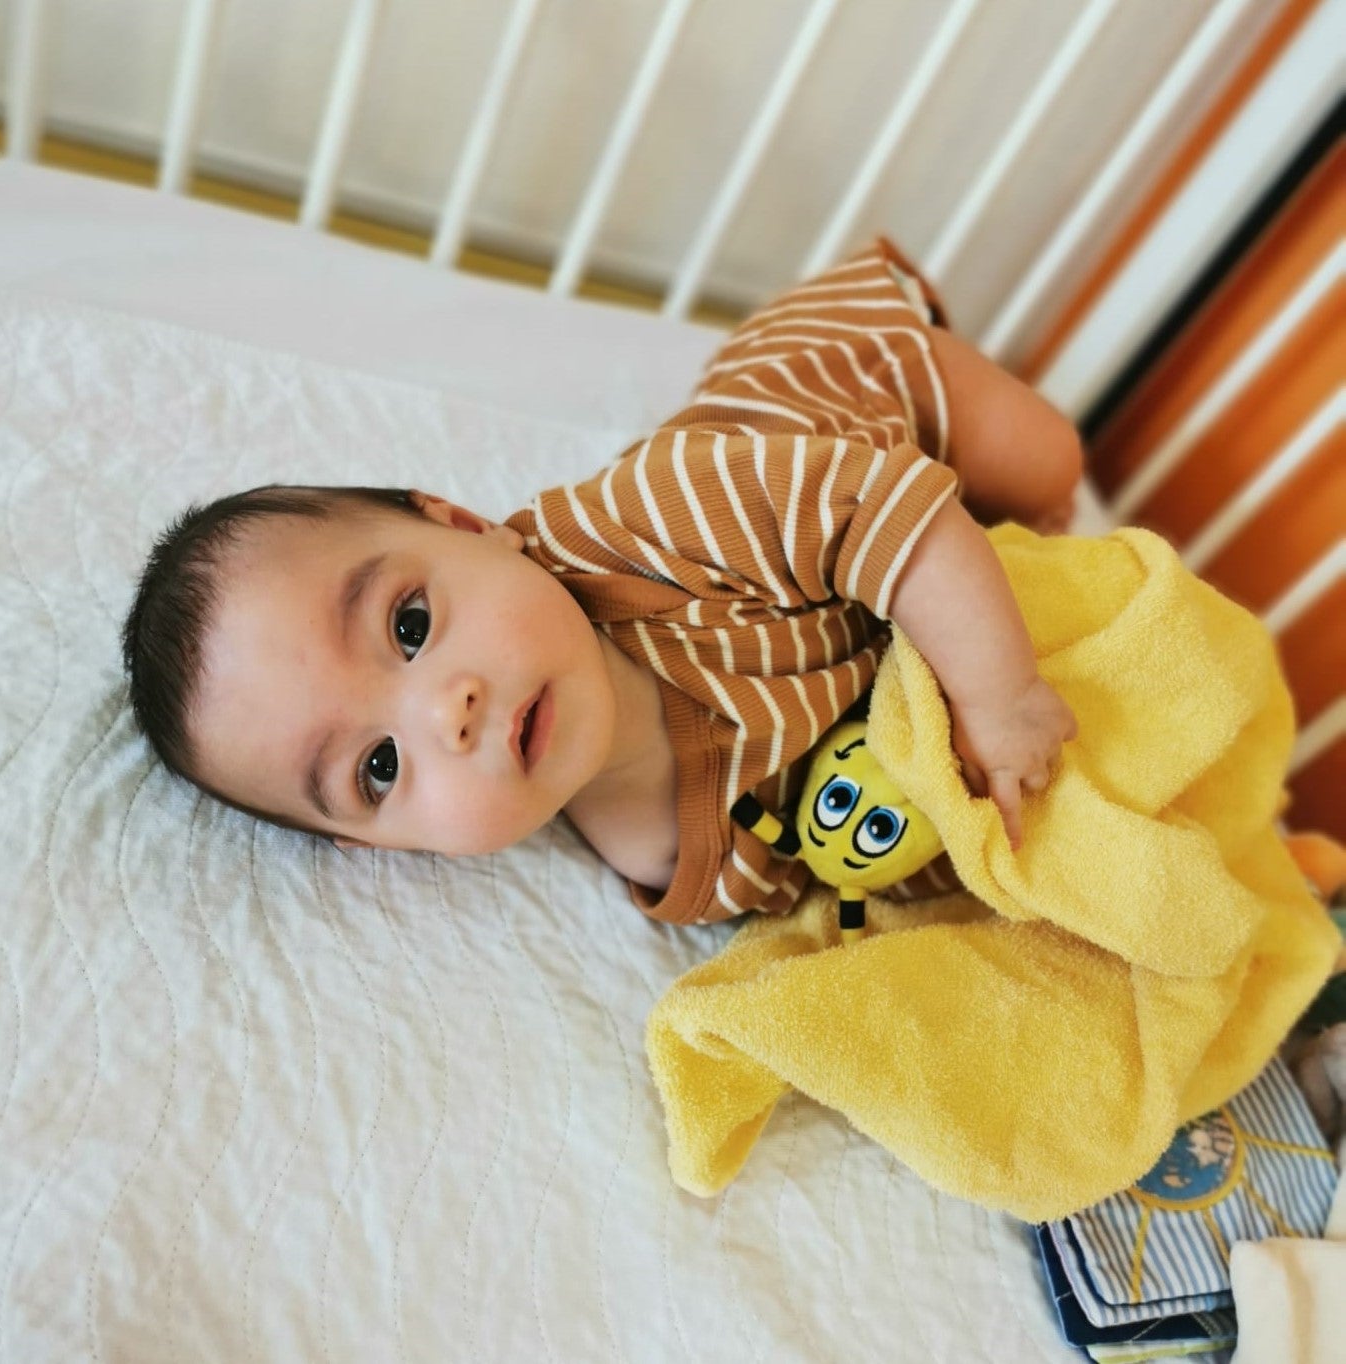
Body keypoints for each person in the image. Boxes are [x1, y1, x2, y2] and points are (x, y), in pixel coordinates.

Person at [122, 240, 1080, 926]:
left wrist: (999, 697)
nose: (444, 713)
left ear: (464, 524)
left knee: (1047, 472)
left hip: (852, 394)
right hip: (859, 592)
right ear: (387, 846)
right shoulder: (681, 871)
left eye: (409, 625)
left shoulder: (658, 522)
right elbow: (845, 871)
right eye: (379, 767)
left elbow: (879, 509)